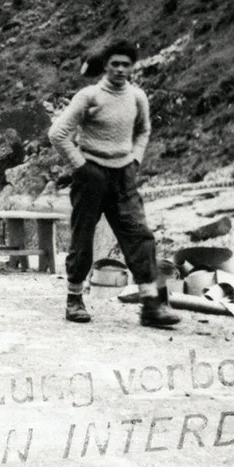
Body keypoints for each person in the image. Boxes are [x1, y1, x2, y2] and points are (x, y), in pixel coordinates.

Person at [48, 40, 179, 329]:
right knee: (83, 238)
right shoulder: (89, 96)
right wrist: (81, 166)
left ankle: (151, 306)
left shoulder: (137, 97)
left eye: (126, 64)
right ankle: (74, 299)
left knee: (140, 237)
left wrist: (135, 160)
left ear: (133, 67)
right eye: (115, 64)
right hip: (91, 175)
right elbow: (57, 133)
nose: (120, 69)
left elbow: (144, 130)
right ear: (105, 65)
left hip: (123, 176)